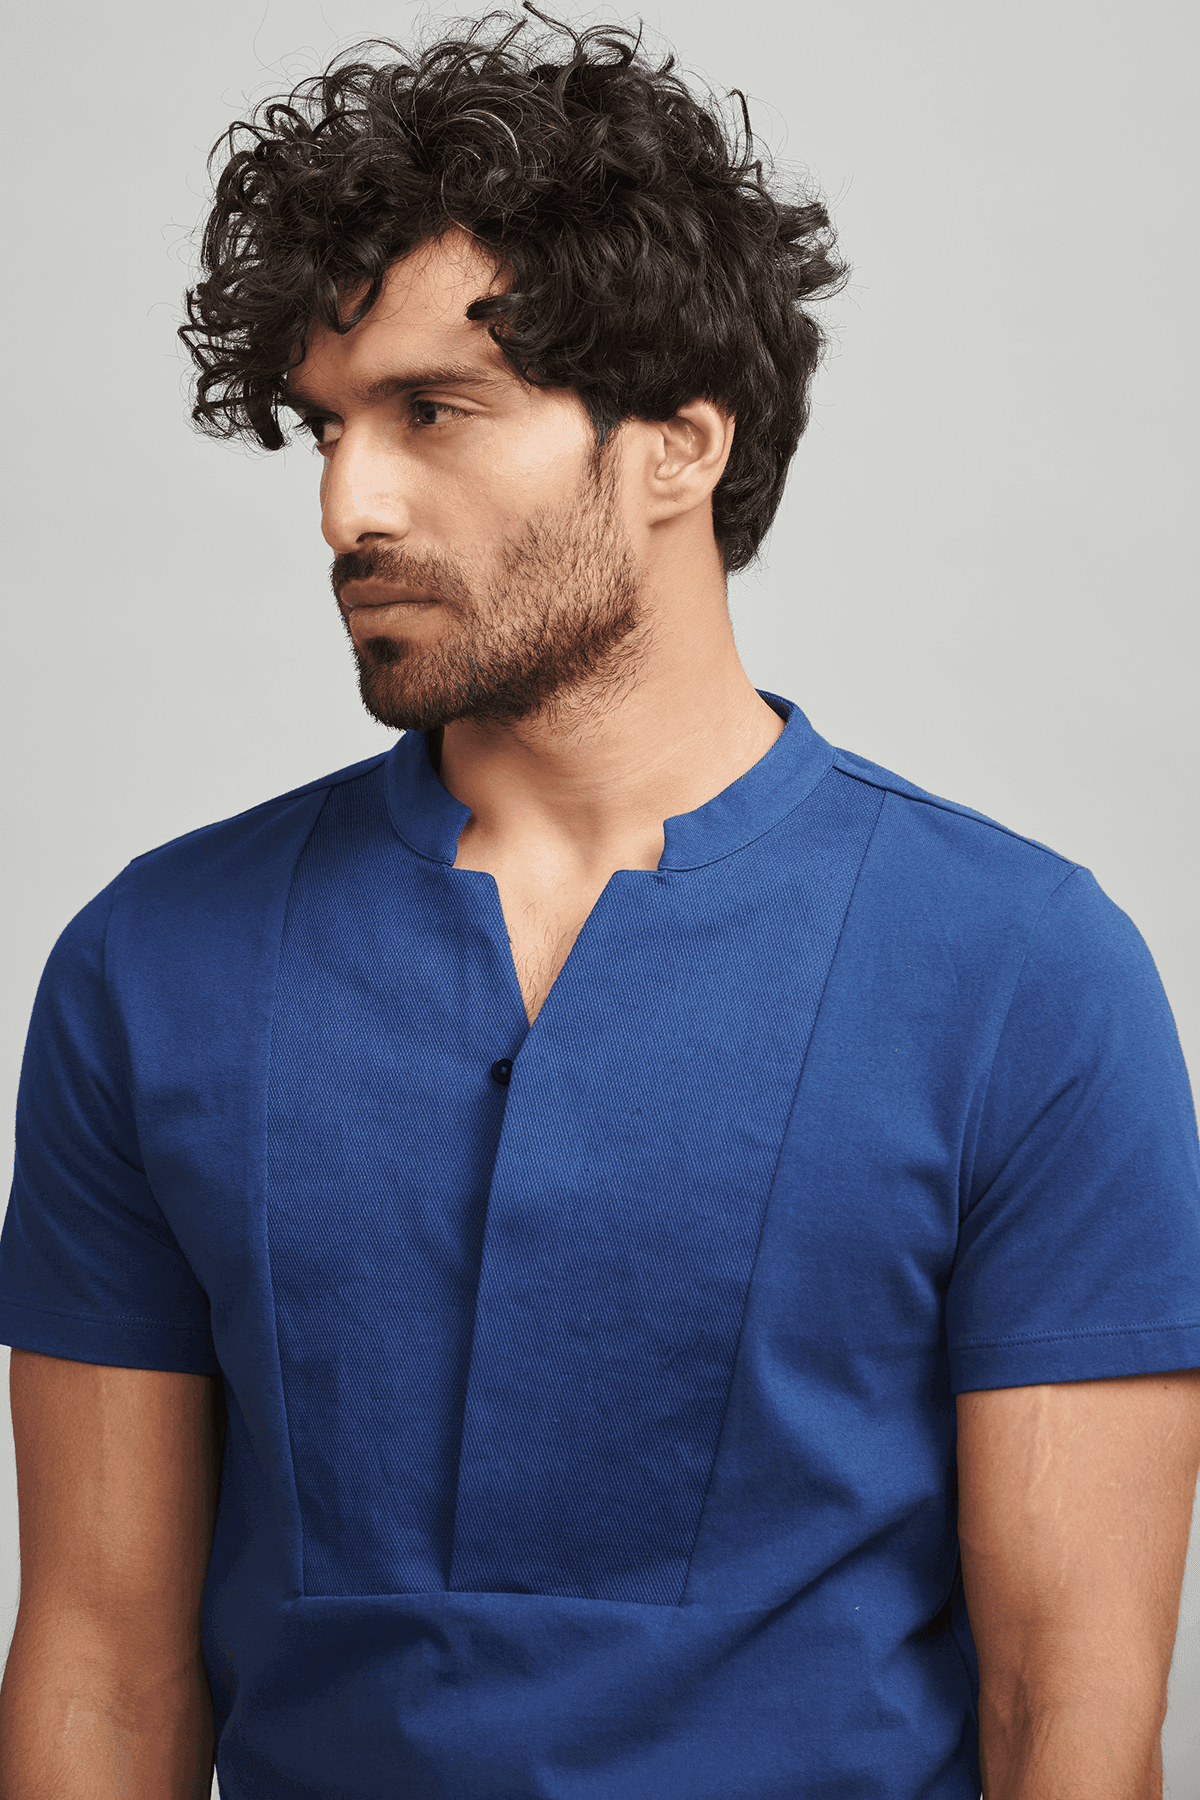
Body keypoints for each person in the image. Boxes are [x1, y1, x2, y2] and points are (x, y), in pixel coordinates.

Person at [1, 7, 1198, 1796]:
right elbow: (100, 1663)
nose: (347, 503)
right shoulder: (150, 964)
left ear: (677, 448)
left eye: (432, 411)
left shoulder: (1024, 975)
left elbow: (1071, 1714)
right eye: (325, 427)